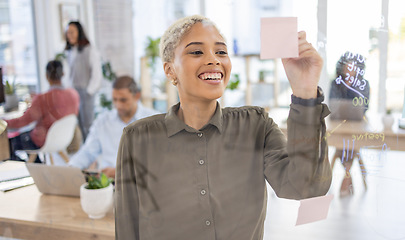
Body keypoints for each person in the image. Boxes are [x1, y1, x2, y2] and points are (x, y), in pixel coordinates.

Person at [115, 15, 332, 240]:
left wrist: (305, 91)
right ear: (170, 70)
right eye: (196, 52)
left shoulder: (256, 125)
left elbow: (306, 187)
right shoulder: (137, 138)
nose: (214, 60)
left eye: (221, 52)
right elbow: (127, 226)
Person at [68, 76, 158, 178]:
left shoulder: (154, 121)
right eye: (115, 100)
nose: (118, 105)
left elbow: (158, 161)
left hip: (141, 182)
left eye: (123, 100)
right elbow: (88, 152)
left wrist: (120, 172)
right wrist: (71, 168)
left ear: (137, 96)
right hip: (107, 184)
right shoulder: (103, 122)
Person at [4, 60, 79, 162]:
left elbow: (21, 122)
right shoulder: (73, 94)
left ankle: (31, 167)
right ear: (63, 74)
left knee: (8, 143)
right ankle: (37, 165)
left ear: (46, 76)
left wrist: (3, 122)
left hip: (43, 140)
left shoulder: (42, 99)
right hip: (64, 138)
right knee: (26, 136)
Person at [329, 52, 370, 196]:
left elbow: (364, 108)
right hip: (338, 124)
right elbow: (332, 105)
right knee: (344, 141)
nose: (350, 69)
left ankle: (346, 176)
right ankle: (347, 176)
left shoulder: (363, 84)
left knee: (349, 142)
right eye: (347, 66)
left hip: (356, 125)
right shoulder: (335, 83)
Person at [64, 21, 102, 140]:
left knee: (88, 125)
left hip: (86, 92)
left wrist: (89, 91)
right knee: (80, 125)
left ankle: (93, 154)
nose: (69, 35)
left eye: (72, 32)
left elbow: (97, 74)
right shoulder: (69, 52)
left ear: (79, 33)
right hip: (74, 93)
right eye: (67, 33)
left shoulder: (90, 50)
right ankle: (87, 153)